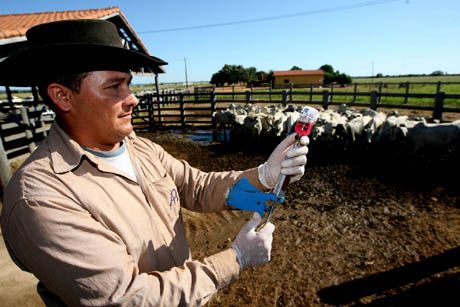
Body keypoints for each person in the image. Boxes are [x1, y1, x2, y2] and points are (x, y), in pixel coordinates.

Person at [0, 19, 310, 306]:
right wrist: (236, 259)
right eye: (114, 87)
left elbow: (198, 188)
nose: (133, 98)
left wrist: (264, 176)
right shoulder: (42, 198)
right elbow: (125, 297)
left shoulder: (140, 149)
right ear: (63, 97)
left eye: (129, 84)